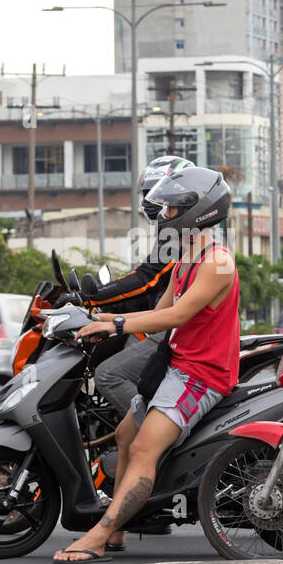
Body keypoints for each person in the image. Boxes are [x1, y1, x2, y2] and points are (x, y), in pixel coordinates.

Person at [53, 166, 239, 563]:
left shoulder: (217, 262)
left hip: (199, 375)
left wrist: (114, 323)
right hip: (175, 366)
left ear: (198, 210)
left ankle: (99, 535)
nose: (164, 217)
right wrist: (97, 321)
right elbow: (159, 308)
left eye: (172, 210)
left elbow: (176, 317)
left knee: (141, 451)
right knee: (124, 436)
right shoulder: (188, 257)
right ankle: (118, 528)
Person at [83, 155, 194, 417]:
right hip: (165, 321)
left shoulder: (184, 237)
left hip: (175, 331)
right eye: (149, 193)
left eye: (156, 192)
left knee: (109, 374)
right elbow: (155, 289)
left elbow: (146, 279)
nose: (150, 199)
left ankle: (153, 432)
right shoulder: (175, 233)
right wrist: (106, 316)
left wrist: (95, 298)